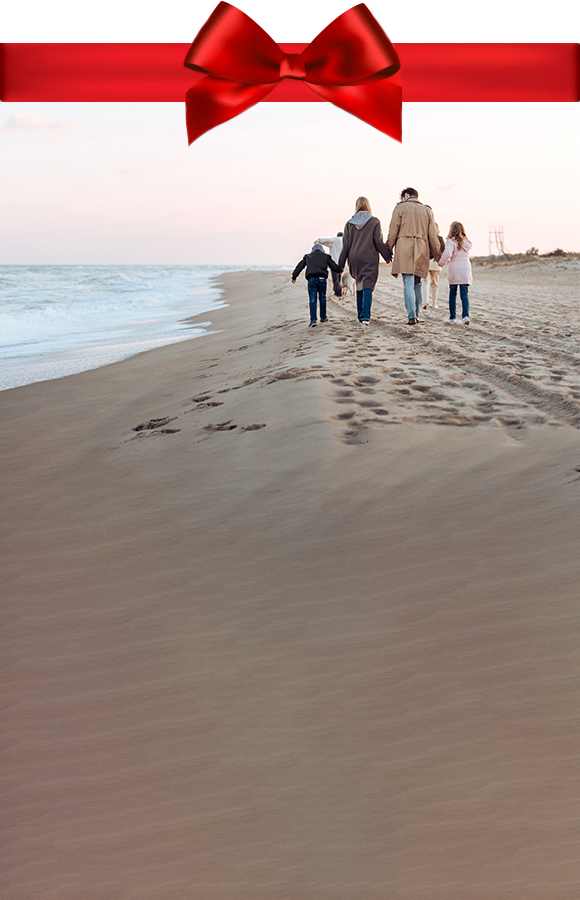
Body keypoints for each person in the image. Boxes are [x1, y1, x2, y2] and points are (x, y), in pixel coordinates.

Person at [387, 187, 442, 325]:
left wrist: (388, 249)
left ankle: (411, 316)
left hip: (404, 247)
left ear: (406, 195)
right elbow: (433, 235)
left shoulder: (400, 208)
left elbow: (393, 231)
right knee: (418, 283)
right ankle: (416, 315)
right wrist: (437, 254)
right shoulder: (427, 210)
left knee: (408, 281)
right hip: (422, 248)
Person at [337, 197, 391, 326]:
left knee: (359, 283)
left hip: (354, 258)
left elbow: (345, 246)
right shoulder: (374, 221)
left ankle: (360, 315)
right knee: (367, 285)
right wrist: (387, 256)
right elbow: (378, 242)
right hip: (369, 257)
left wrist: (340, 265)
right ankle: (365, 316)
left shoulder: (349, 224)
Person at [292, 242, 342, 327]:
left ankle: (313, 320)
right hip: (322, 280)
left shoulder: (308, 256)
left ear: (313, 250)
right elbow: (333, 266)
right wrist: (340, 270)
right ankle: (323, 318)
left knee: (312, 299)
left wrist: (294, 276)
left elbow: (300, 266)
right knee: (322, 298)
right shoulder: (326, 257)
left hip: (312, 280)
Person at [438, 221, 473, 324]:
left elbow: (448, 253)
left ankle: (452, 318)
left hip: (455, 268)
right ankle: (465, 316)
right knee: (464, 294)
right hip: (465, 268)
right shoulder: (466, 242)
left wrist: (441, 263)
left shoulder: (450, 241)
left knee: (453, 293)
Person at [422, 216, 445, 309]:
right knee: (434, 284)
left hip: (426, 263)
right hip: (436, 263)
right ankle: (434, 304)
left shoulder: (425, 238)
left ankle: (425, 302)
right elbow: (443, 250)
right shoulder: (440, 238)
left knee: (425, 283)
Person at [316, 233, 344, 297]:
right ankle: (336, 291)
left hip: (334, 263)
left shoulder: (335, 240)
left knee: (335, 279)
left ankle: (339, 293)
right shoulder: (345, 241)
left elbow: (328, 240)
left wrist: (318, 241)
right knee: (339, 278)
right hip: (342, 263)